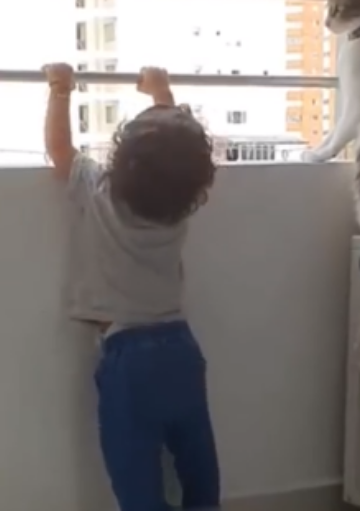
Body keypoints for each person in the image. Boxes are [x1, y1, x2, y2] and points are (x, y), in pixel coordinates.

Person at [42, 62, 221, 511]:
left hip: (128, 360)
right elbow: (175, 147)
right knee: (199, 471)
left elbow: (58, 148)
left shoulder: (98, 189)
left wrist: (60, 87)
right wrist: (162, 89)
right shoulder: (178, 206)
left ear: (122, 157)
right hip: (181, 349)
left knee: (137, 485)